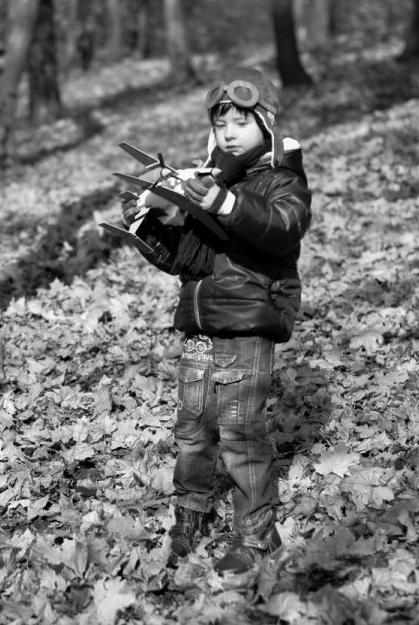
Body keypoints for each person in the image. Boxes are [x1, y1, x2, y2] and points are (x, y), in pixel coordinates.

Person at [119, 68, 312, 576]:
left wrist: (226, 203)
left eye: (241, 123)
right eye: (221, 122)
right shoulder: (210, 182)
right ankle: (192, 512)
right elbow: (190, 260)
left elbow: (282, 229)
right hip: (201, 324)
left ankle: (256, 532)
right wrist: (149, 221)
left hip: (249, 324)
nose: (229, 132)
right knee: (193, 426)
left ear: (266, 127)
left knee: (241, 432)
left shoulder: (281, 180)